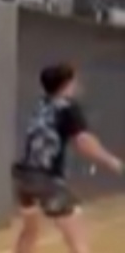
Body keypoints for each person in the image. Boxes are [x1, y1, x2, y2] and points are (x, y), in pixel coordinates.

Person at [12, 62, 123, 253]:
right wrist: (113, 162)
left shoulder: (41, 105)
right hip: (46, 179)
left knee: (30, 232)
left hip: (23, 177)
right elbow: (83, 141)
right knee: (78, 239)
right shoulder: (68, 107)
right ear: (67, 83)